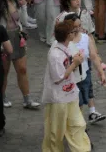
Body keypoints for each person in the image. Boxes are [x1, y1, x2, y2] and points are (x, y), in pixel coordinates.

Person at [40, 17, 90, 152]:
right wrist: (75, 63)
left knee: (78, 124)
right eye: (73, 31)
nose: (76, 33)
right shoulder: (55, 54)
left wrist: (74, 61)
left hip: (70, 94)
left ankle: (82, 149)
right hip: (58, 98)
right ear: (68, 35)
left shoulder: (66, 48)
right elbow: (58, 77)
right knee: (55, 131)